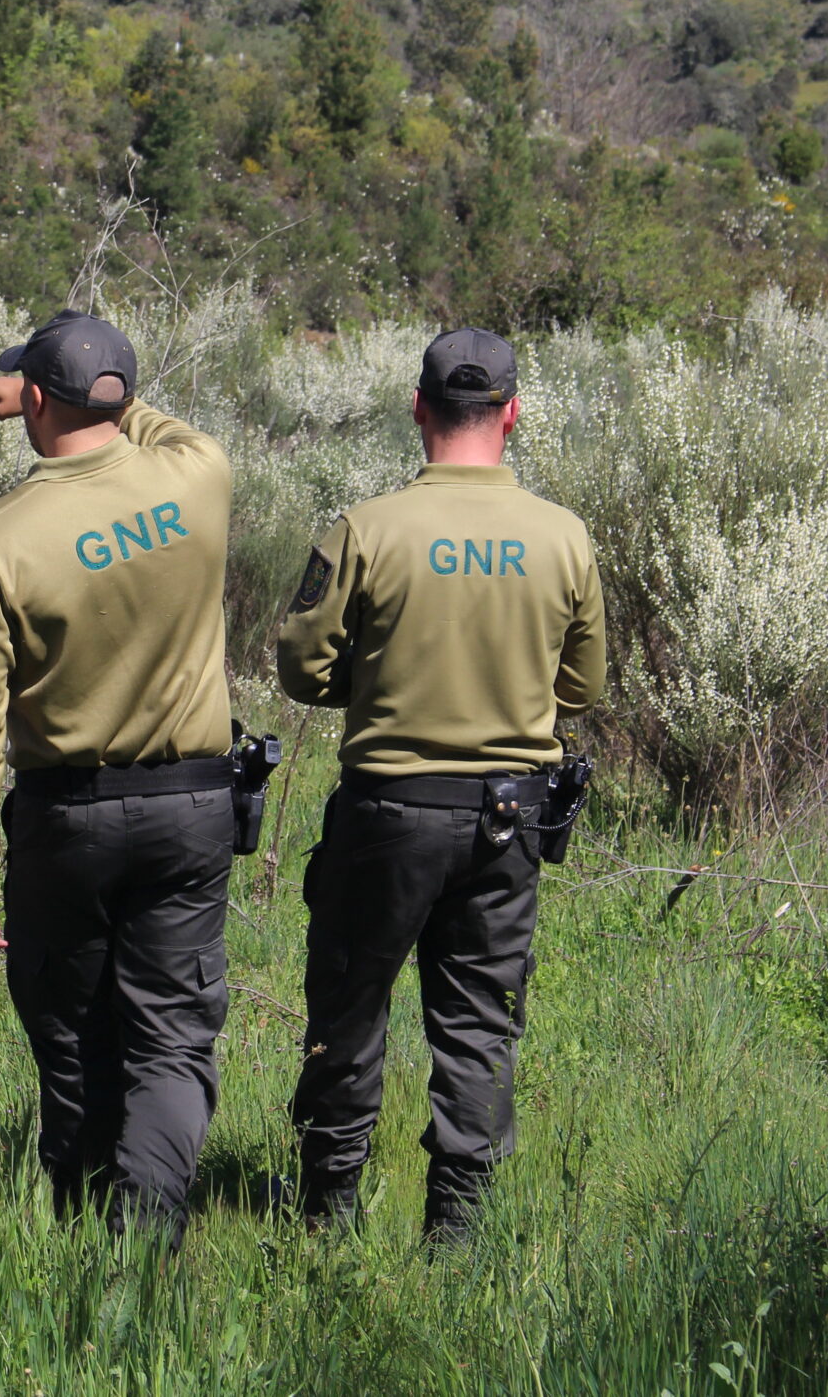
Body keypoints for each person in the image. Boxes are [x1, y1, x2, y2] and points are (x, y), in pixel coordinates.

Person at [275, 328, 605, 1242]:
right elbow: (581, 688)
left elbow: (301, 671)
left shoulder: (367, 528)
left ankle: (324, 1228)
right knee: (477, 1027)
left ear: (418, 407)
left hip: (385, 814)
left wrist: (376, 683)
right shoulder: (563, 537)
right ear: (512, 414)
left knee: (349, 1011)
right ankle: (456, 1243)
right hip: (510, 818)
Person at [0, 309, 236, 1242]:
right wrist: (57, 390)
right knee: (173, 1041)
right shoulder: (201, 474)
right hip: (194, 805)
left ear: (35, 402)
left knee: (73, 1037)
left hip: (68, 819)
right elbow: (144, 421)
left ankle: (87, 1229)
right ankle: (145, 1239)